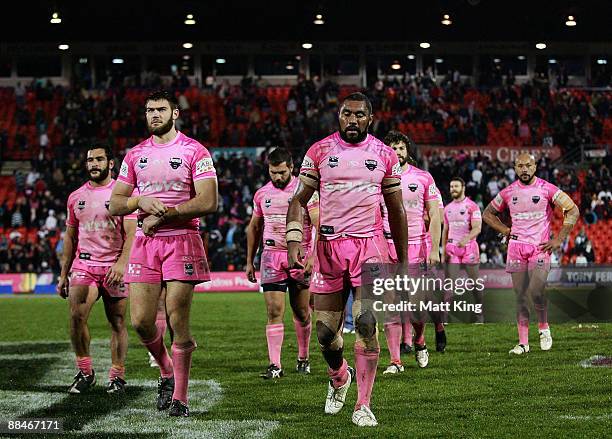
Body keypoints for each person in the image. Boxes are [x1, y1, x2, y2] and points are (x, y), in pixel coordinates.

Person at [287, 93, 408, 427]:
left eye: (359, 115)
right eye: (346, 114)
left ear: (370, 119)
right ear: (338, 116)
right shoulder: (319, 151)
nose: (351, 120)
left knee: (367, 323)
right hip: (328, 247)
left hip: (370, 247)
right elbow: (299, 200)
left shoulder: (384, 154)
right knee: (325, 333)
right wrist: (295, 238)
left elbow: (396, 210)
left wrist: (404, 258)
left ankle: (363, 405)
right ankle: (340, 375)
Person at [109, 90, 218, 417]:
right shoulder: (135, 154)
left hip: (182, 239)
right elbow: (114, 203)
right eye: (149, 110)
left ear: (175, 114)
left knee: (176, 319)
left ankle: (180, 399)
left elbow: (208, 200)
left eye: (160, 109)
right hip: (146, 242)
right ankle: (167, 371)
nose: (154, 115)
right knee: (141, 321)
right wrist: (138, 202)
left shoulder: (194, 151)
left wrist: (167, 214)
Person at [57, 143, 136, 395]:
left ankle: (117, 376)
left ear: (111, 164)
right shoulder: (75, 197)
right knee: (76, 316)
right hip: (85, 265)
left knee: (118, 322)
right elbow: (70, 238)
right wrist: (63, 274)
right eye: (90, 160)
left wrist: (122, 264)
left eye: (99, 160)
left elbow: (132, 233)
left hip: (115, 267)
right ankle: (85, 371)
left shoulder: (123, 196)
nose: (93, 164)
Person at [482, 153, 579, 355]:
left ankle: (543, 328)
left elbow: (573, 209)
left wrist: (559, 239)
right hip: (516, 249)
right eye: (520, 166)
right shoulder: (508, 192)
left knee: (535, 290)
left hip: (540, 248)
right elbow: (487, 214)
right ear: (515, 168)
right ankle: (523, 343)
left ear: (535, 167)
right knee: (520, 295)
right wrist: (505, 230)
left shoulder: (548, 189)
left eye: (528, 165)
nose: (524, 169)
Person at [246, 147, 318, 378]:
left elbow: (318, 224)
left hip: (299, 256)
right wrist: (249, 260)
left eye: (281, 172)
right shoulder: (261, 194)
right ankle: (275, 365)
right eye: (273, 172)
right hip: (271, 256)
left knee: (301, 312)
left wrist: (313, 255)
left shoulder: (306, 192)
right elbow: (254, 227)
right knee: (274, 310)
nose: (277, 177)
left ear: (291, 168)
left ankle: (303, 357)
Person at [380, 131, 441, 373]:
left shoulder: (423, 178)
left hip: (417, 246)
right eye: (393, 148)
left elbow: (435, 214)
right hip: (387, 246)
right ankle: (395, 360)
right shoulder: (379, 181)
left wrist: (435, 248)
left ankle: (419, 340)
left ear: (407, 151)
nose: (398, 152)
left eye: (401, 148)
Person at [442, 177, 483, 324]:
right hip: (452, 248)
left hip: (469, 248)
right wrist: (442, 250)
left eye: (456, 186)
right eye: (451, 186)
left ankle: (479, 314)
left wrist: (467, 239)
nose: (453, 189)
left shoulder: (472, 206)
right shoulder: (447, 208)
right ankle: (444, 316)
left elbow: (478, 227)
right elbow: (445, 230)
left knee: (474, 283)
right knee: (449, 283)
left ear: (463, 187)